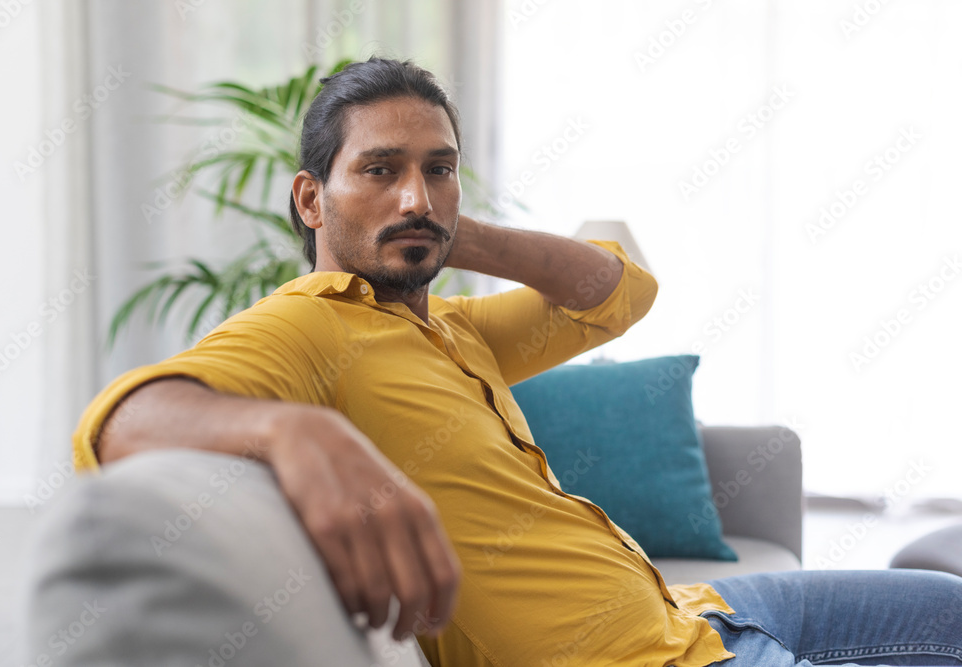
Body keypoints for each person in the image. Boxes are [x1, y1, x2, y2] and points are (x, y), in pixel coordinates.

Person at [73, 57, 962, 667]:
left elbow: (618, 292)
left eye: (439, 170)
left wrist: (439, 226)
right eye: (378, 170)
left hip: (699, 612)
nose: (415, 194)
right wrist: (290, 429)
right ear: (312, 197)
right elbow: (116, 425)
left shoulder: (452, 329)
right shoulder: (309, 326)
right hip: (650, 661)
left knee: (945, 600)